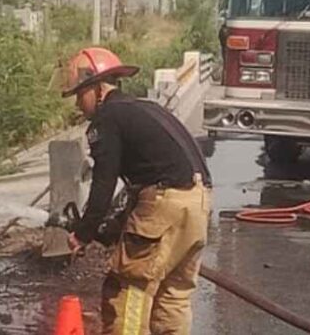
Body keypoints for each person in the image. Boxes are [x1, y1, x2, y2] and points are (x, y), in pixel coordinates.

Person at [62, 46, 213, 335]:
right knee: (173, 296)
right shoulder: (144, 108)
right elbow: (146, 176)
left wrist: (84, 231)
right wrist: (115, 226)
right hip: (199, 201)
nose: (78, 105)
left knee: (129, 290)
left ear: (97, 88)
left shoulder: (108, 117)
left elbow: (104, 182)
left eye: (80, 94)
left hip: (165, 201)